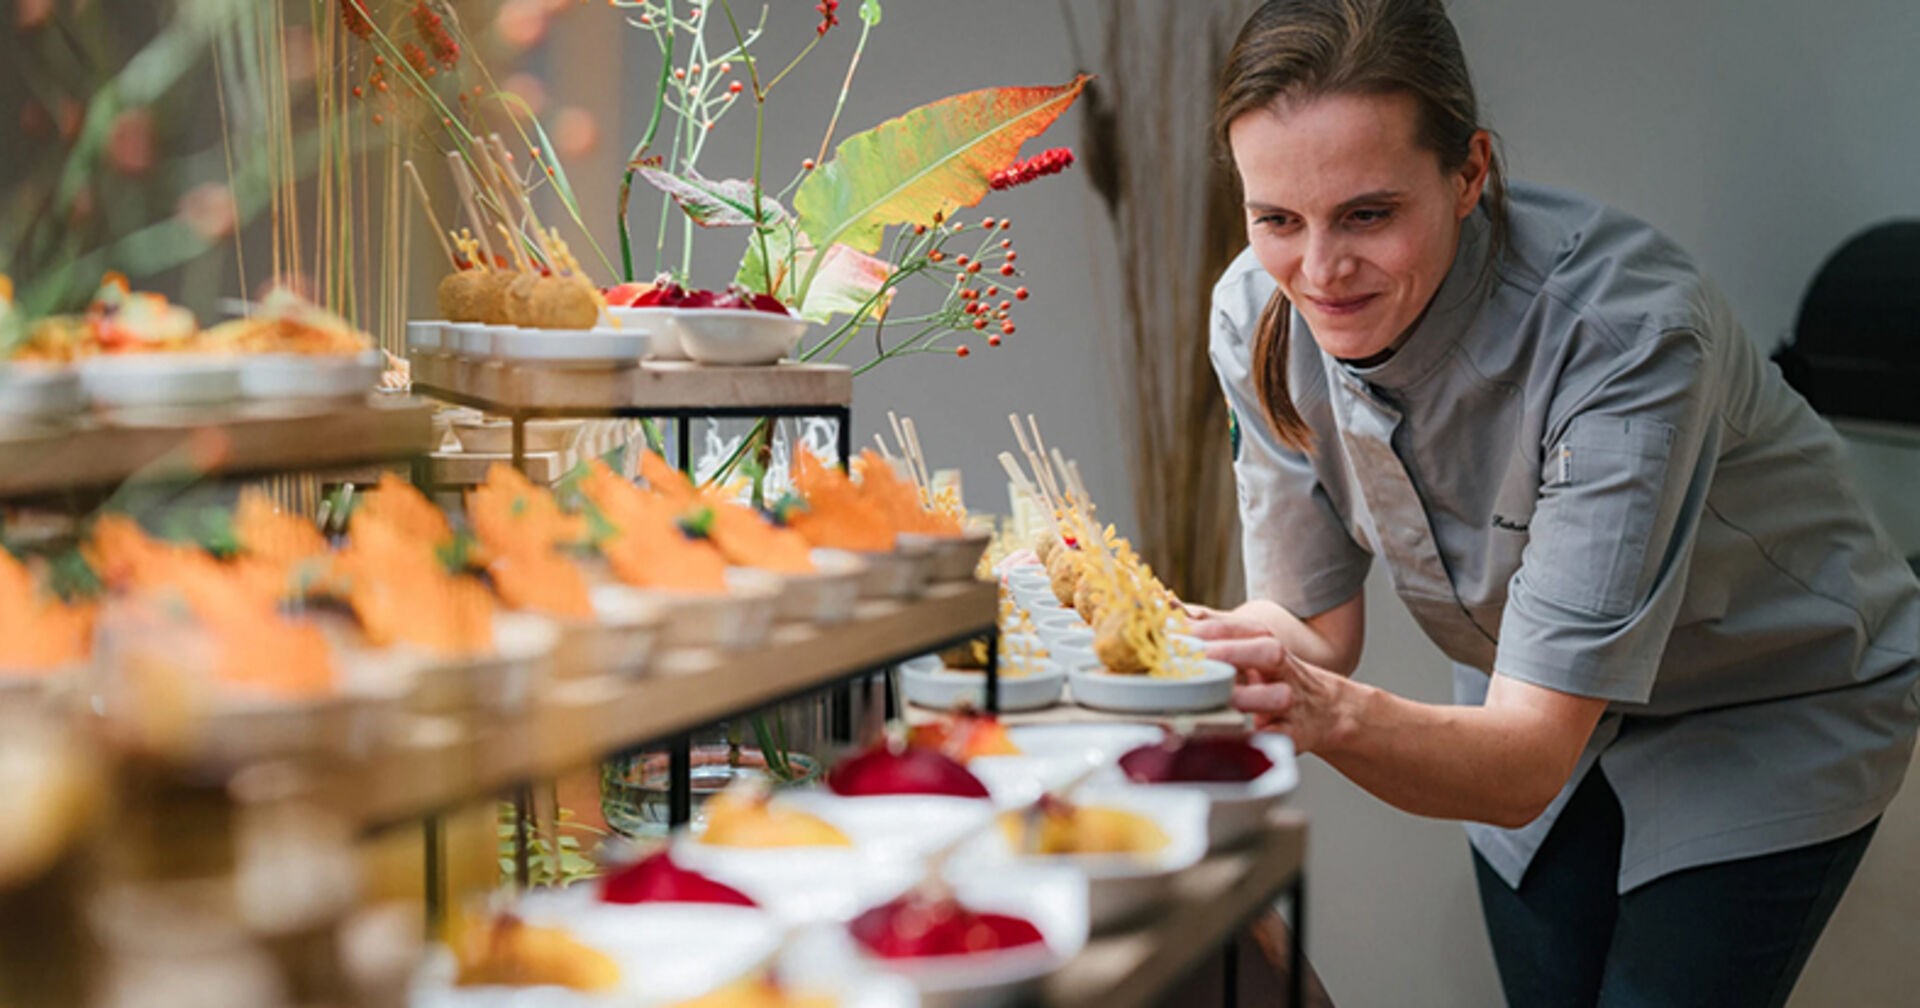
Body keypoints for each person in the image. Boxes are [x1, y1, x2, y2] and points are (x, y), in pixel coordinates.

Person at [1195, 1, 1920, 1005]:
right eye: (1277, 218)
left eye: (1367, 214)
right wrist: (1189, 649)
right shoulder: (1256, 313)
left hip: (1763, 703)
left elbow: (1522, 759)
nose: (1318, 272)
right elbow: (1313, 627)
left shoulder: (1623, 337)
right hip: (1523, 698)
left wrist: (1319, 711)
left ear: (1469, 173)